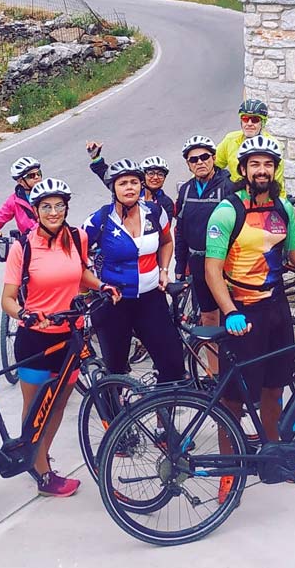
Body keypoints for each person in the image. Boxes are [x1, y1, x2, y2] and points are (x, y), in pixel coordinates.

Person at [204, 135, 295, 498]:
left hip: (277, 310)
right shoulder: (228, 211)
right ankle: (228, 471)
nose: (261, 170)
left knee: (274, 388)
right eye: (255, 164)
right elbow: (212, 270)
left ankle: (274, 455)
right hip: (242, 312)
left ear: (274, 169)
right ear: (243, 169)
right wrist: (229, 311)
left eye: (268, 164)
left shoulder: (283, 209)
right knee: (233, 397)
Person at [0, 177, 90, 497]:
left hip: (69, 335)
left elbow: (83, 274)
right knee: (36, 406)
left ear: (66, 207)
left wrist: (103, 287)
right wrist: (24, 313)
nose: (53, 212)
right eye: (46, 207)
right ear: (35, 211)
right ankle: (40, 470)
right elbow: (8, 299)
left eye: (59, 206)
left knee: (60, 404)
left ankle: (40, 458)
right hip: (35, 338)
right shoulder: (22, 246)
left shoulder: (78, 237)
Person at [83, 159, 185, 384]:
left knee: (173, 363)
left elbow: (167, 241)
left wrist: (164, 270)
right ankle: (115, 417)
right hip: (115, 303)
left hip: (151, 298)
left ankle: (163, 414)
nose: (129, 187)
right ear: (113, 188)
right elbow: (77, 260)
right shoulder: (99, 220)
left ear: (141, 186)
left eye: (134, 182)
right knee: (117, 370)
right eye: (123, 183)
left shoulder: (155, 212)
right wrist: (96, 286)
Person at [173, 135, 235, 371]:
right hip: (198, 262)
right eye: (193, 159)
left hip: (225, 263)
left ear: (213, 158)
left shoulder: (228, 186)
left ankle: (237, 370)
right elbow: (180, 232)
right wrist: (180, 268)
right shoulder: (187, 190)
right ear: (188, 164)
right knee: (209, 318)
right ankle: (214, 372)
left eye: (205, 157)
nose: (200, 162)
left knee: (232, 315)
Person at [214, 98, 285, 187]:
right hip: (236, 194)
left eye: (255, 120)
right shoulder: (230, 139)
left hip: (265, 193)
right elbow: (212, 165)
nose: (249, 123)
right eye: (245, 119)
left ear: (263, 122)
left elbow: (276, 182)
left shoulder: (273, 145)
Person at [86, 144, 174, 213]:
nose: (155, 177)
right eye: (151, 173)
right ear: (142, 177)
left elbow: (164, 232)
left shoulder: (166, 203)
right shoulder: (131, 189)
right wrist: (96, 158)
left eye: (160, 174)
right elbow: (107, 175)